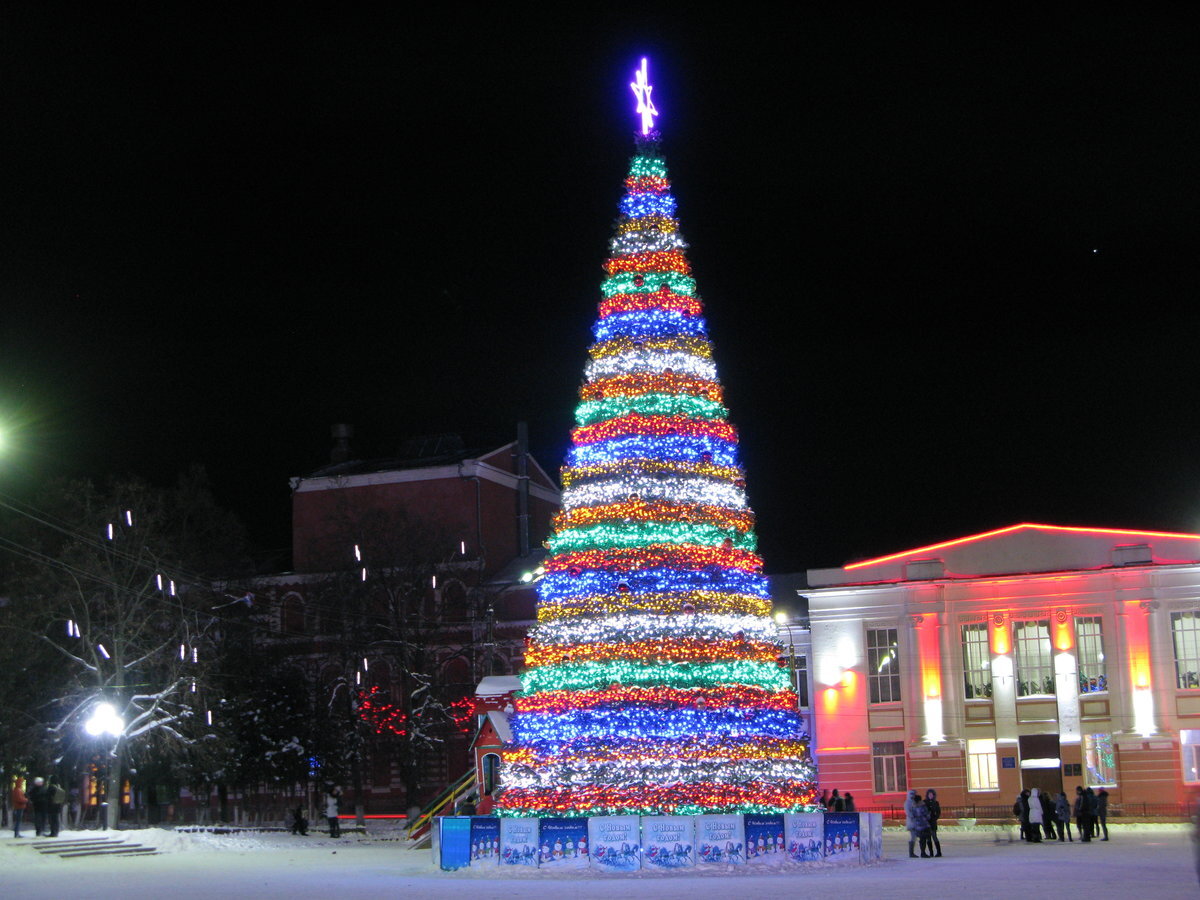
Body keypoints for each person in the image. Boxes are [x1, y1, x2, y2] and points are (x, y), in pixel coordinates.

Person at [905, 789, 931, 858]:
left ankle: (914, 852)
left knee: (918, 838)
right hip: (915, 824)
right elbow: (910, 814)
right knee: (918, 838)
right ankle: (913, 853)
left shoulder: (913, 803)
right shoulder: (909, 803)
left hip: (916, 824)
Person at [924, 789, 942, 857]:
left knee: (934, 837)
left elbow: (938, 812)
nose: (930, 796)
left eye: (931, 794)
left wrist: (934, 818)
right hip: (926, 823)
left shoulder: (936, 803)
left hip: (933, 823)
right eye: (929, 794)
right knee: (928, 838)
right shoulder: (925, 802)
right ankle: (931, 852)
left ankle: (939, 852)